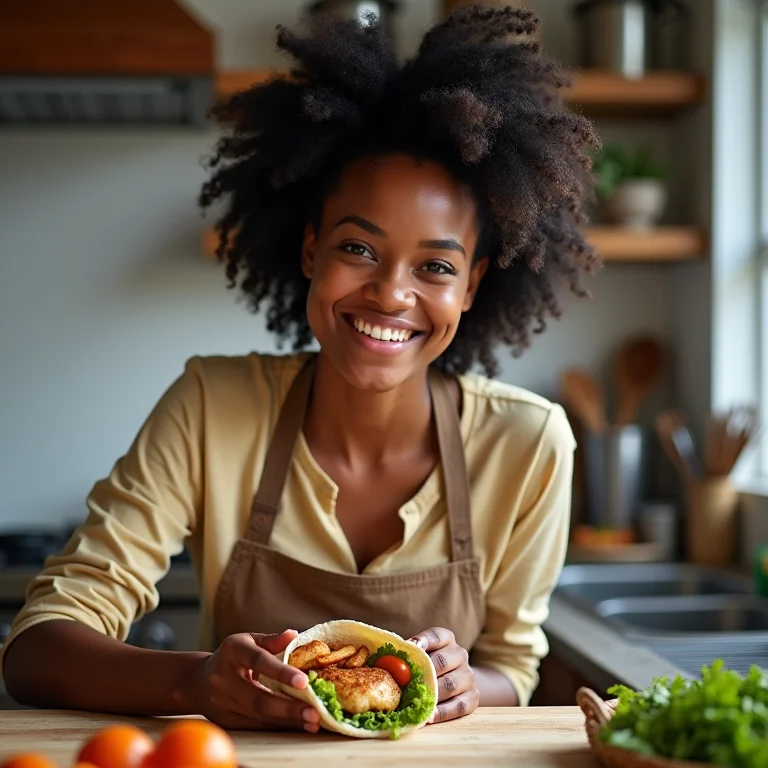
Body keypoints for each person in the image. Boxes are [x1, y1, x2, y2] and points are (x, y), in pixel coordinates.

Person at [1, 6, 599, 731]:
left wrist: (463, 684)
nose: (390, 293)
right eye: (359, 248)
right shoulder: (212, 407)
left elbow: (513, 666)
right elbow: (34, 651)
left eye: (435, 266)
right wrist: (195, 681)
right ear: (312, 251)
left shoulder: (529, 444)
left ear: (471, 286)